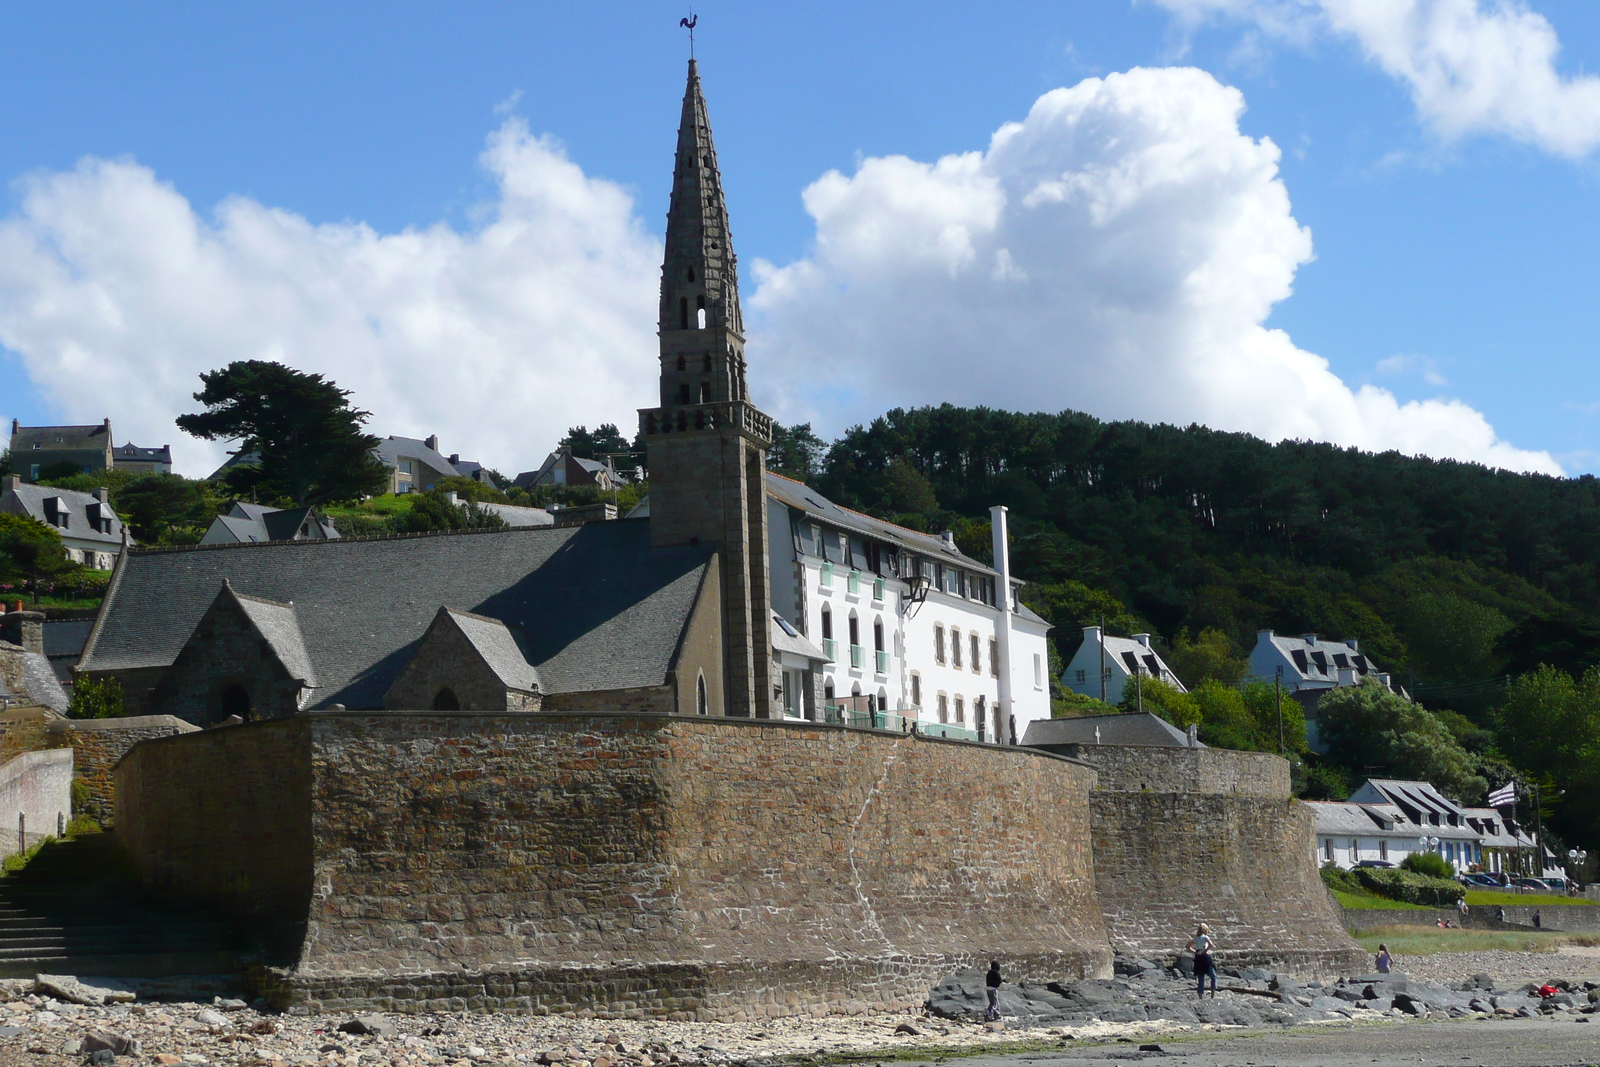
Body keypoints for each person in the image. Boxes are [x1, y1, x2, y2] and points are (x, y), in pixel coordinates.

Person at [1187, 923, 1217, 998]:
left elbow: (1187, 946)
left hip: (1198, 958)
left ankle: (1200, 996)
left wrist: (1195, 952)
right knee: (1213, 976)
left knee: (1201, 977)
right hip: (1205, 957)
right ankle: (1212, 995)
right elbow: (1211, 945)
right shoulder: (1205, 937)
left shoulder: (1196, 939)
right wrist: (1205, 950)